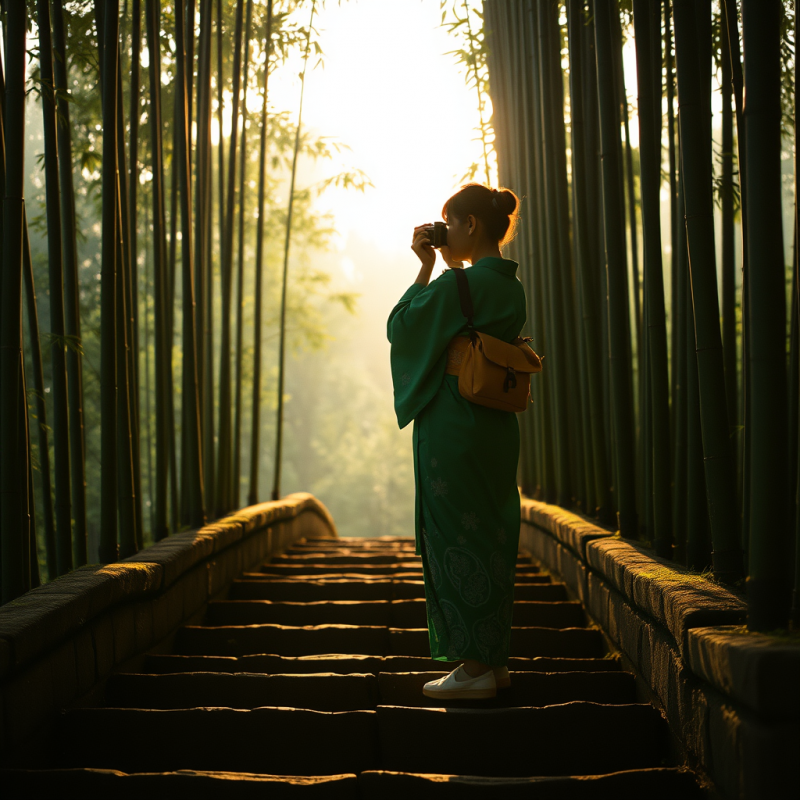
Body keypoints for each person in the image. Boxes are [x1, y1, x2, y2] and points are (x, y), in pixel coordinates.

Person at [386, 182, 526, 700]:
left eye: (451, 222)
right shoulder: (511, 288)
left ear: (470, 225)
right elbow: (472, 312)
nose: (446, 232)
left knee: (453, 535)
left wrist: (426, 266)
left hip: (452, 421)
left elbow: (402, 329)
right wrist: (452, 268)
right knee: (490, 532)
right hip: (494, 427)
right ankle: (491, 660)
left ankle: (472, 669)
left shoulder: (452, 287)